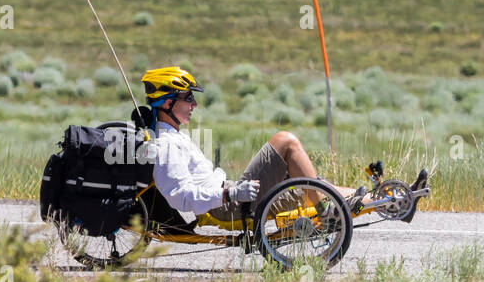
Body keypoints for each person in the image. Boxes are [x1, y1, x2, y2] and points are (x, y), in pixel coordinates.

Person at [136, 65, 424, 224]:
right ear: (167, 102)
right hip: (227, 206)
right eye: (189, 99)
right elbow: (180, 196)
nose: (195, 104)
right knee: (286, 141)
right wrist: (228, 193)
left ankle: (395, 202)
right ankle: (328, 213)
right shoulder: (166, 145)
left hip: (230, 194)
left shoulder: (174, 136)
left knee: (311, 183)